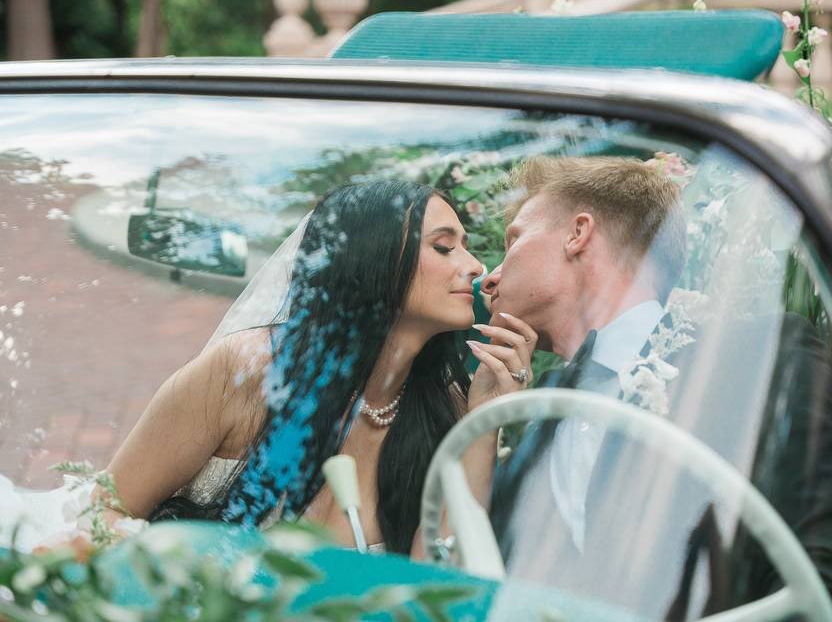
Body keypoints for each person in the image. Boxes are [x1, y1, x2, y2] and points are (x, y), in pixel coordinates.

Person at [0, 180, 532, 557]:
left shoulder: (445, 404)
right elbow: (106, 514)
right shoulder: (247, 372)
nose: (475, 265)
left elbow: (435, 584)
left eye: (465, 245)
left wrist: (482, 420)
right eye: (445, 246)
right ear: (374, 262)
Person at [479, 156, 832, 620]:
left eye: (514, 241)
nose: (489, 277)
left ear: (578, 233)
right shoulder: (530, 408)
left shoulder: (760, 359)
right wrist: (484, 419)